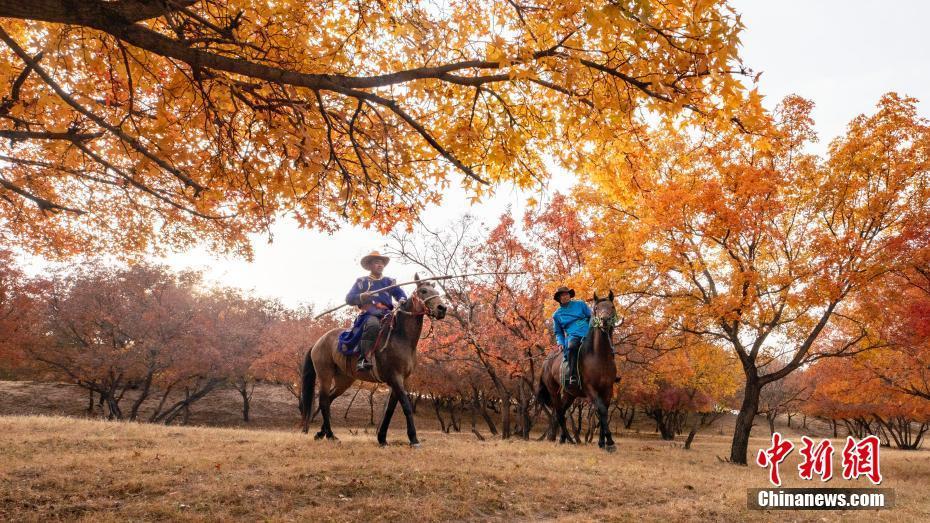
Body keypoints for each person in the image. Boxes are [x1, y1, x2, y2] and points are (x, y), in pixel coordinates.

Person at [345, 251, 408, 371]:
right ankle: (363, 359)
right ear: (369, 266)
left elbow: (399, 293)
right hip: (370, 313)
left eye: (382, 263)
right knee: (373, 325)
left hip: (387, 313)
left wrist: (402, 299)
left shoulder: (389, 281)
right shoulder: (362, 281)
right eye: (376, 263)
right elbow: (348, 299)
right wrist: (361, 296)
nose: (380, 265)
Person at [551, 286, 591, 386]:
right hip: (573, 335)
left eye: (567, 294)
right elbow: (558, 332)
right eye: (562, 295)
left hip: (589, 330)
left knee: (603, 340)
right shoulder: (557, 315)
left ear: (570, 295)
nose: (565, 296)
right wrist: (560, 342)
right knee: (572, 347)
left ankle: (610, 372)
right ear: (559, 298)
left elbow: (591, 316)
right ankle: (573, 375)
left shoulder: (580, 304)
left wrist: (592, 326)